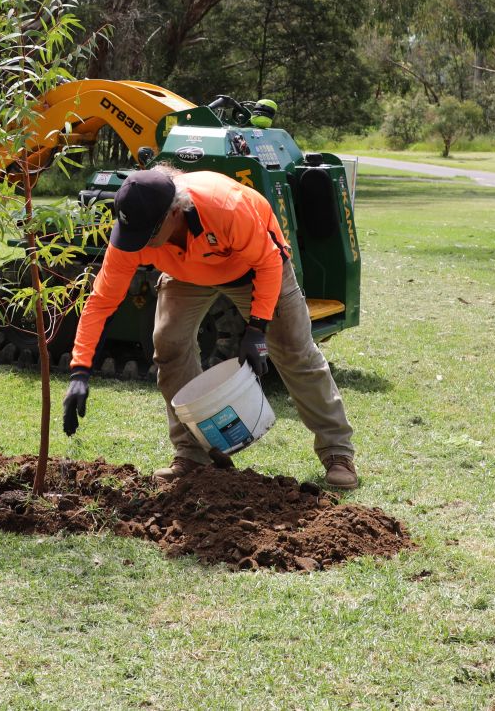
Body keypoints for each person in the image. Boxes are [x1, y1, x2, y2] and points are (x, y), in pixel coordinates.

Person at [61, 165, 359, 489]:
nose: (138, 245)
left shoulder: (226, 206)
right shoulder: (133, 237)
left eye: (147, 234)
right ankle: (193, 454)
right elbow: (101, 301)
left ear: (175, 211)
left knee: (293, 349)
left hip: (254, 269)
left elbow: (268, 262)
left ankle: (337, 452)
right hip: (185, 273)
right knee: (169, 343)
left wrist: (257, 329)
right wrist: (79, 371)